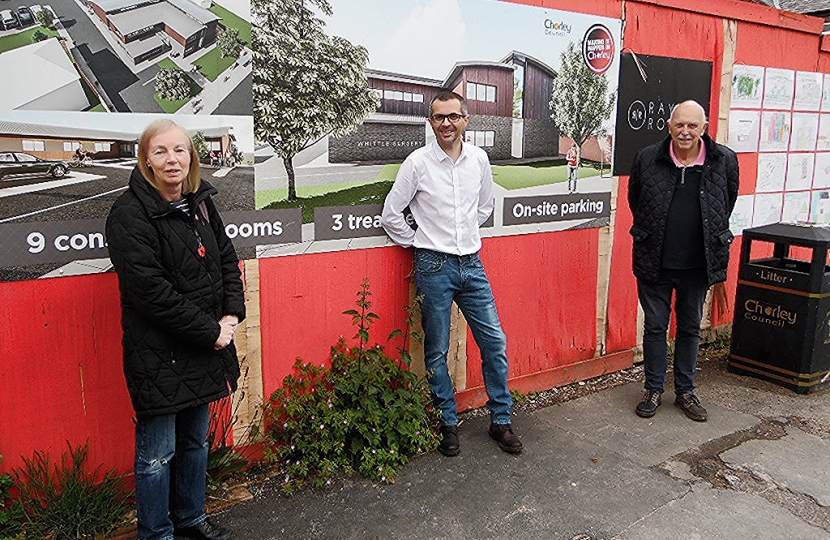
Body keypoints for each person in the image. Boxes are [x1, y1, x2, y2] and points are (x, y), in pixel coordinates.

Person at [106, 119, 244, 540]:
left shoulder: (201, 203)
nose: (172, 160)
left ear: (192, 157)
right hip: (160, 353)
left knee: (195, 444)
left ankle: (190, 519)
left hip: (205, 345)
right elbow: (150, 293)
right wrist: (210, 331)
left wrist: (231, 316)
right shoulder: (129, 214)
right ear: (146, 158)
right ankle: (158, 533)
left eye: (180, 150)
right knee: (157, 454)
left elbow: (226, 260)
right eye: (161, 151)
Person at [381, 90, 522, 456]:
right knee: (437, 350)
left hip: (472, 264)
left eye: (453, 117)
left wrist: (464, 235)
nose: (446, 123)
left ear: (465, 120)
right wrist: (421, 242)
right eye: (439, 117)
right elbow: (391, 214)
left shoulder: (479, 159)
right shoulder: (417, 163)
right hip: (433, 266)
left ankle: (501, 421)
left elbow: (485, 205)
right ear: (431, 122)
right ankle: (447, 421)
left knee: (495, 343)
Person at [627, 100, 739, 422]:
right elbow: (636, 199)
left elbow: (726, 202)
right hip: (655, 259)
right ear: (669, 126)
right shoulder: (647, 158)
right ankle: (653, 389)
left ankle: (686, 391)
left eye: (693, 126)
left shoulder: (724, 160)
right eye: (680, 125)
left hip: (698, 262)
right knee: (655, 326)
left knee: (690, 328)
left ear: (704, 128)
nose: (686, 132)